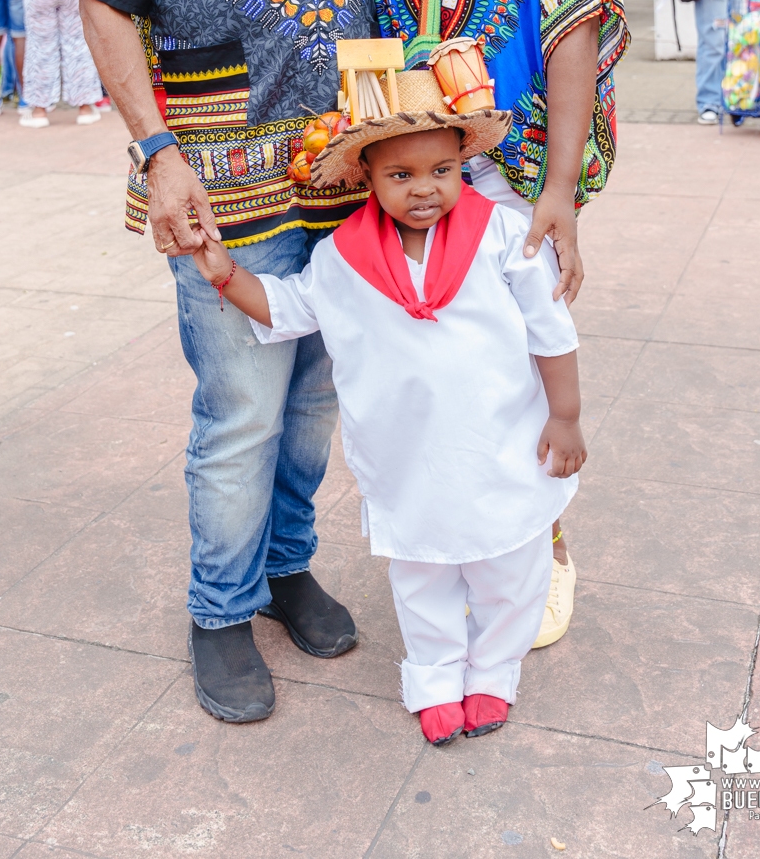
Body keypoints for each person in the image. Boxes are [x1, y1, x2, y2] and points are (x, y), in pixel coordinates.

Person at [37, 0, 593, 724]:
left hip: (355, 181)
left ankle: (287, 570)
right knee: (238, 411)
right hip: (220, 177)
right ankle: (218, 609)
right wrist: (157, 152)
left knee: (318, 408)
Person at [334, 0, 629, 648]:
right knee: (439, 371)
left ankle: (544, 539)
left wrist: (558, 193)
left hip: (506, 169)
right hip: (408, 170)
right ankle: (463, 539)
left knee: (517, 365)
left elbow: (572, 26)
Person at [192, 71, 585, 744]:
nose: (424, 187)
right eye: (400, 174)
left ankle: (493, 673)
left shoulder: (502, 236)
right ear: (366, 176)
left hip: (501, 448)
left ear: (464, 164)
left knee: (511, 572)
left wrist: (566, 414)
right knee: (423, 576)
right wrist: (226, 274)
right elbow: (289, 309)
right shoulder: (343, 257)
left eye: (442, 169)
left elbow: (550, 329)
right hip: (411, 465)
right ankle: (433, 678)